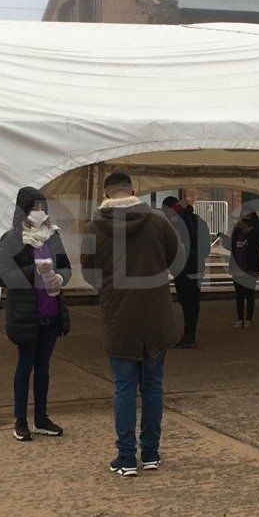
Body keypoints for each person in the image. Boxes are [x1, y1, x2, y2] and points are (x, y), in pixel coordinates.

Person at [82, 173, 180, 477]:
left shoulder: (93, 228)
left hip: (118, 316)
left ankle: (125, 458)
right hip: (155, 314)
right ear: (133, 191)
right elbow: (174, 256)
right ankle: (150, 453)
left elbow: (88, 273)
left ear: (106, 194)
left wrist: (111, 287)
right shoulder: (158, 222)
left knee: (124, 388)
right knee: (153, 386)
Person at [0, 187, 71, 442]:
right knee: (24, 366)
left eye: (43, 208)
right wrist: (34, 270)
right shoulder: (11, 240)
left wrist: (59, 276)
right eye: (34, 208)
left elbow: (66, 268)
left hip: (51, 312)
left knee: (43, 368)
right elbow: (1, 276)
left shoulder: (53, 237)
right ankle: (20, 420)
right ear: (23, 211)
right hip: (26, 314)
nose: (40, 213)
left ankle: (41, 418)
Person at [162, 196, 209, 349]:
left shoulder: (176, 222)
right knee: (192, 301)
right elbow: (206, 247)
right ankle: (190, 334)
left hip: (184, 267)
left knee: (187, 302)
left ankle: (189, 336)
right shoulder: (198, 220)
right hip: (197, 266)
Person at [227, 211, 259, 328]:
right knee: (239, 295)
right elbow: (232, 248)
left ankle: (249, 318)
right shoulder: (236, 234)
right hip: (237, 268)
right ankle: (240, 318)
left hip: (250, 268)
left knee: (249, 295)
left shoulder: (254, 235)